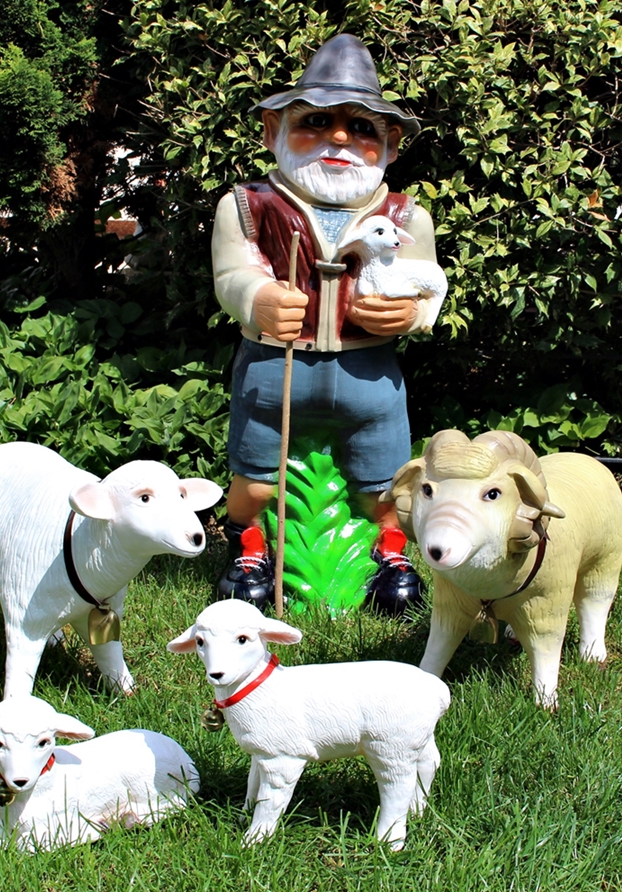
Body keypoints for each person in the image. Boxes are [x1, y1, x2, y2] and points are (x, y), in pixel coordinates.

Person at [211, 33, 444, 615]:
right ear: (273, 132)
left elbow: (426, 279)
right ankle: (248, 547)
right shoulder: (246, 205)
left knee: (382, 485)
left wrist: (412, 314)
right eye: (315, 121)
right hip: (274, 371)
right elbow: (231, 272)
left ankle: (390, 557)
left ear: (389, 144)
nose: (340, 138)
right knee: (256, 479)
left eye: (363, 128)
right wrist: (258, 296)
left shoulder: (407, 215)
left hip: (369, 377)